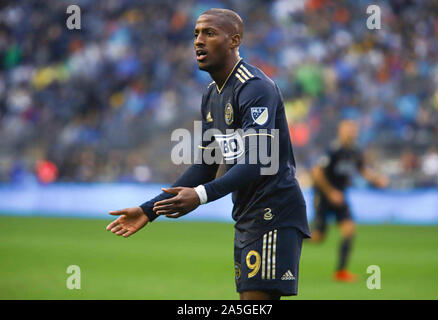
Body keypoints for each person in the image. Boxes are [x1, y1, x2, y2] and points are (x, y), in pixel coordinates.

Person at [106, 8, 310, 300]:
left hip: (274, 212)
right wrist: (149, 210)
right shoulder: (212, 94)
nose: (198, 41)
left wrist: (200, 196)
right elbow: (206, 164)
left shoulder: (255, 88)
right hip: (248, 216)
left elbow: (255, 163)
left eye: (209, 33)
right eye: (196, 34)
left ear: (234, 40)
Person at [310, 120, 389, 282]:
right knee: (318, 237)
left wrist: (376, 179)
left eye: (353, 130)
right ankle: (287, 238)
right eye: (348, 130)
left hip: (340, 196)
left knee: (349, 230)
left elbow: (362, 169)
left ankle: (340, 272)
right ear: (340, 132)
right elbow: (317, 172)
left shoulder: (354, 152)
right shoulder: (333, 150)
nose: (351, 133)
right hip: (324, 196)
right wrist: (330, 192)